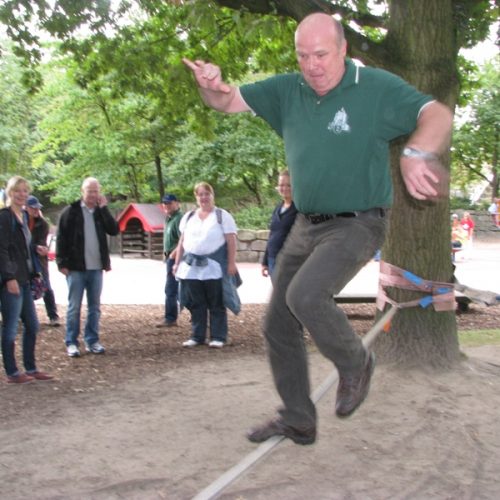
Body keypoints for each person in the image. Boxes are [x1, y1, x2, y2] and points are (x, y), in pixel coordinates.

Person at [184, 12, 453, 445]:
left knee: (305, 296)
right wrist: (209, 85)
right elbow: (225, 100)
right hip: (306, 225)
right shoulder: (287, 90)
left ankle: (356, 363)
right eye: (303, 55)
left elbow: (436, 113)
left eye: (322, 54)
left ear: (344, 49)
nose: (312, 65)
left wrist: (417, 152)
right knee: (277, 323)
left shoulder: (375, 88)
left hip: (358, 222)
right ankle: (298, 418)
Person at [56, 177, 119, 357]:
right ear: (82, 192)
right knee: (74, 306)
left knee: (94, 307)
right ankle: (71, 342)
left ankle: (92, 340)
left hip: (96, 268)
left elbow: (114, 230)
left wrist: (105, 208)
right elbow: (61, 238)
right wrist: (61, 263)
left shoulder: (100, 212)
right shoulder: (70, 212)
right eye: (89, 191)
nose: (92, 194)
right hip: (76, 268)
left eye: (96, 191)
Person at [0, 176, 53, 383]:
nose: (21, 195)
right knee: (11, 326)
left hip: (25, 278)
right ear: (9, 193)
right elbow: (2, 249)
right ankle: (12, 372)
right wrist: (9, 277)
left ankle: (30, 368)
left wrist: (36, 248)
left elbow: (21, 246)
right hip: (11, 280)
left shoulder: (23, 215)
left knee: (32, 325)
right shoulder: (5, 217)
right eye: (17, 191)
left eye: (25, 191)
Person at [174, 182, 239, 348]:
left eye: (206, 194)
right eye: (200, 194)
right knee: (197, 303)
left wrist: (231, 263)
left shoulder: (222, 216)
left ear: (212, 195)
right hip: (191, 269)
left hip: (214, 267)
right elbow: (182, 242)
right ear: (196, 197)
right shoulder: (188, 217)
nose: (204, 197)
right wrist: (176, 263)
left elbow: (231, 241)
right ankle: (197, 336)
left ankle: (218, 336)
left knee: (216, 302)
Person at [26, 195, 61, 327]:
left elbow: (39, 242)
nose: (36, 210)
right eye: (33, 208)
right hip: (23, 261)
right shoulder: (20, 221)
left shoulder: (42, 224)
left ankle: (53, 315)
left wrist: (40, 248)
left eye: (37, 208)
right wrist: (35, 247)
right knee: (25, 289)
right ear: (26, 208)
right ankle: (26, 317)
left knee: (46, 286)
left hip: (39, 261)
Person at [262, 170, 298, 280]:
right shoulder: (278, 208)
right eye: (281, 185)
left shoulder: (299, 210)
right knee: (278, 294)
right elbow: (272, 234)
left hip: (288, 261)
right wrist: (265, 262)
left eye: (288, 185)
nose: (284, 188)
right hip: (273, 259)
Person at [157, 193, 183, 328]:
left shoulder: (179, 219)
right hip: (170, 257)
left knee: (171, 289)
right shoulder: (169, 218)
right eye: (164, 203)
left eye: (169, 203)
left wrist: (173, 255)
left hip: (176, 258)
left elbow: (182, 240)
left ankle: (170, 318)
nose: (166, 206)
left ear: (177, 203)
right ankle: (195, 313)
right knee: (178, 289)